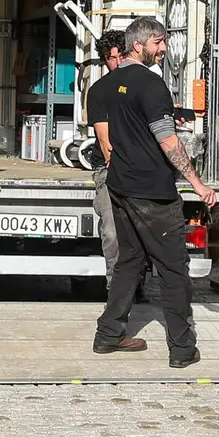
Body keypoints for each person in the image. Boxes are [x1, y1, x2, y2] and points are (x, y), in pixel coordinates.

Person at [92, 16, 218, 368]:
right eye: (158, 42)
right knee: (173, 269)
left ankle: (108, 335)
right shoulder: (151, 84)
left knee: (129, 262)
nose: (163, 48)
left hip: (120, 185)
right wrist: (197, 183)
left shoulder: (105, 85)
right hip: (152, 191)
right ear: (138, 45)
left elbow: (108, 139)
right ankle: (182, 348)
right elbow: (167, 139)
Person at [84, 29, 126, 288]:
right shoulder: (99, 91)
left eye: (121, 56)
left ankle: (136, 284)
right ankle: (117, 291)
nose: (118, 63)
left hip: (143, 168)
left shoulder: (146, 85)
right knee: (112, 232)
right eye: (111, 58)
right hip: (111, 168)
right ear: (104, 60)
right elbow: (104, 139)